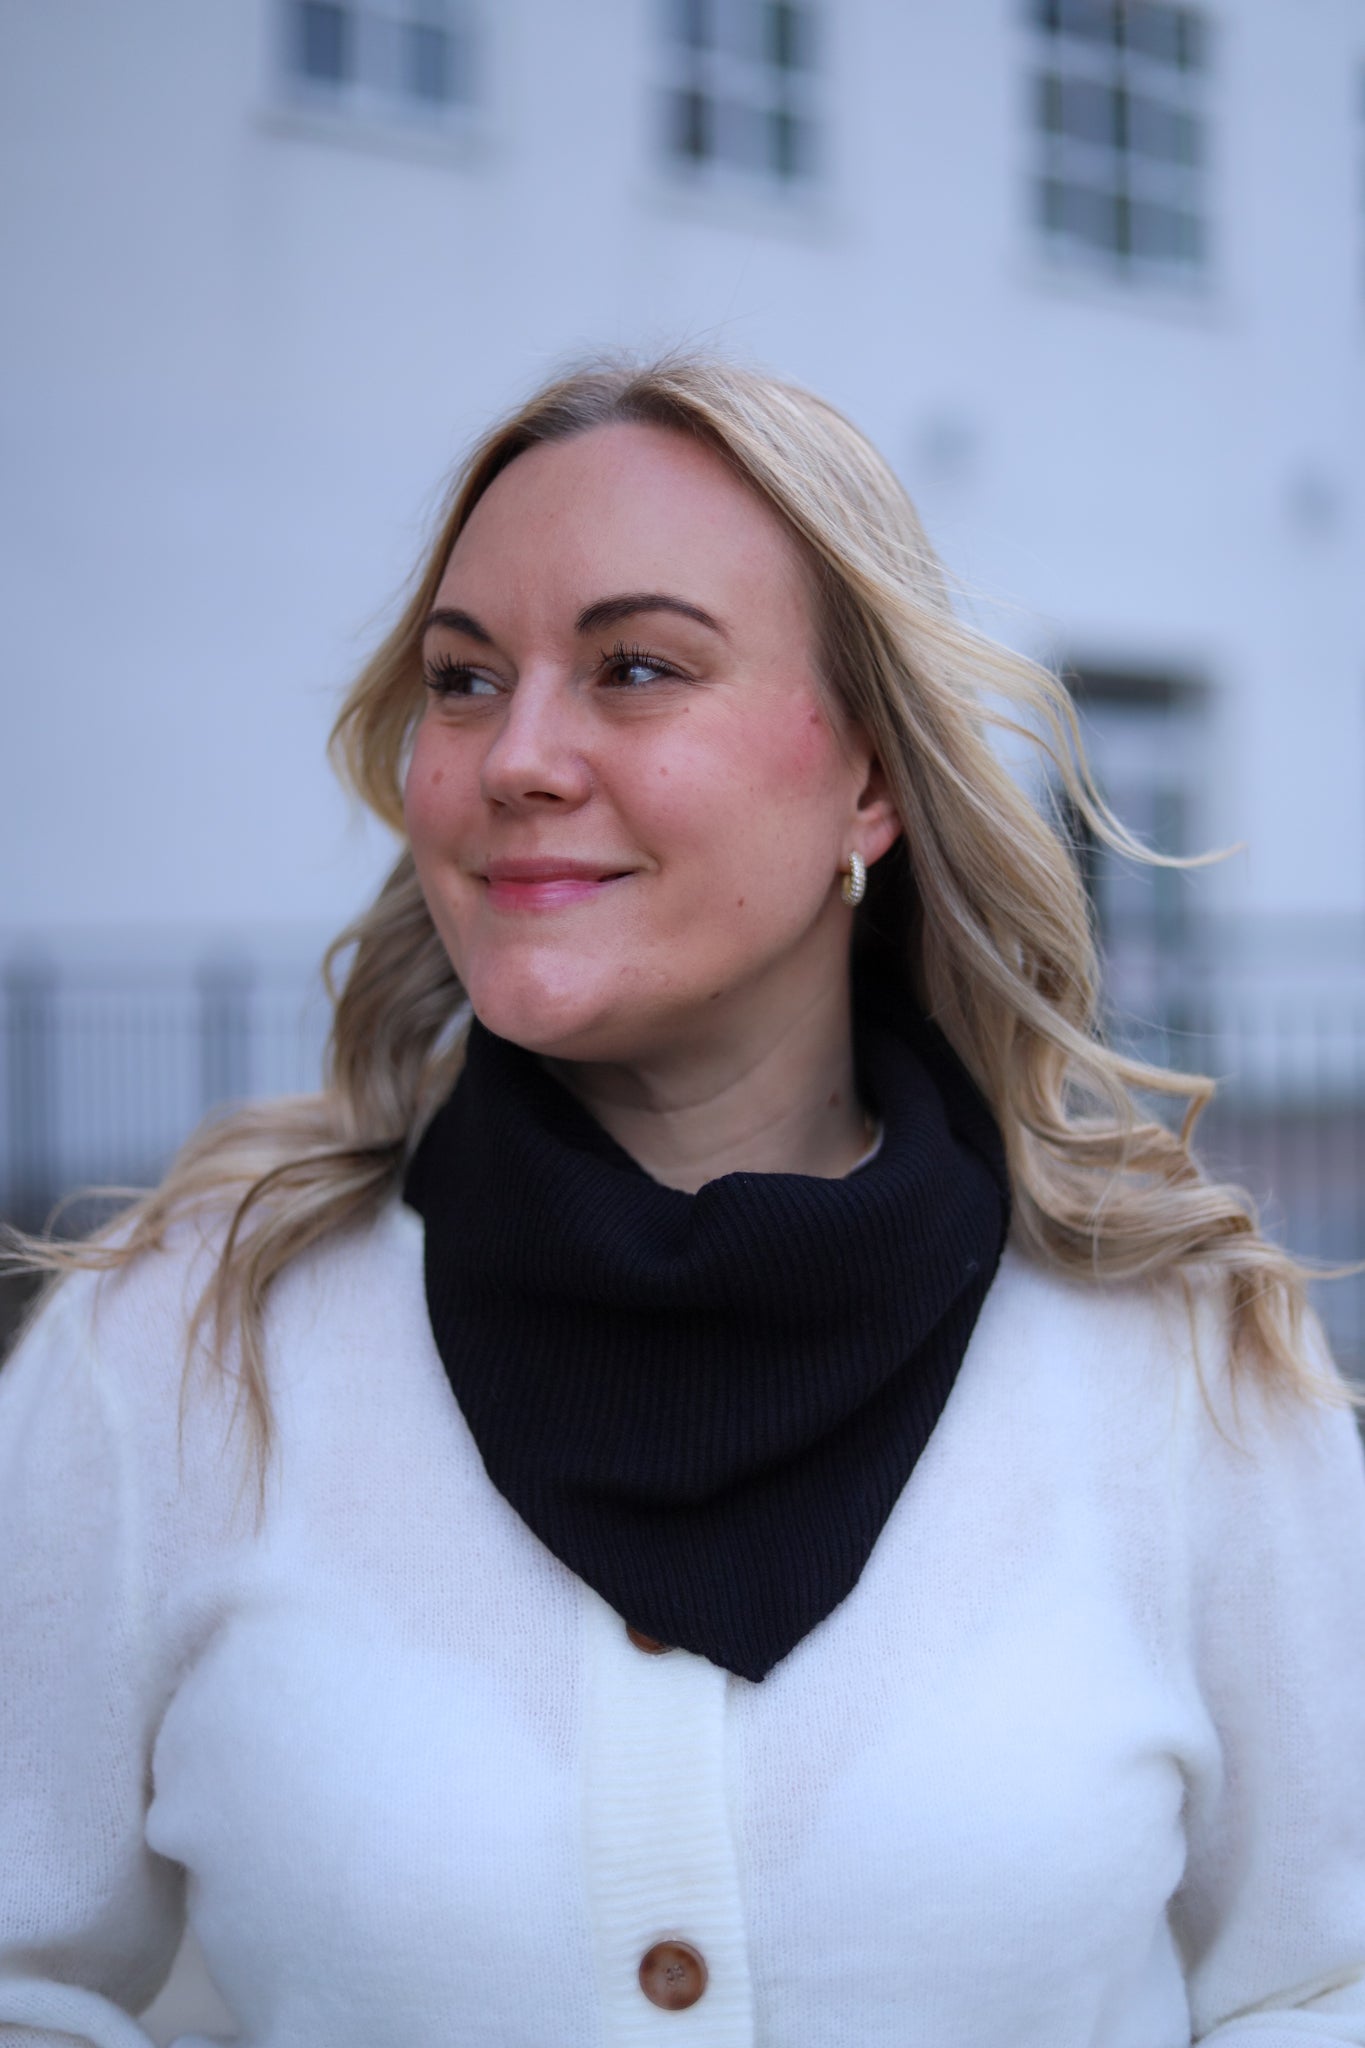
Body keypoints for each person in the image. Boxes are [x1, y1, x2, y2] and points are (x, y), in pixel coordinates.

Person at [2, 354, 1364, 2048]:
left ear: (869, 780)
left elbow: (1323, 1980)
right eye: (462, 679)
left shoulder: (1182, 1365)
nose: (514, 756)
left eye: (636, 667)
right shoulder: (179, 1346)